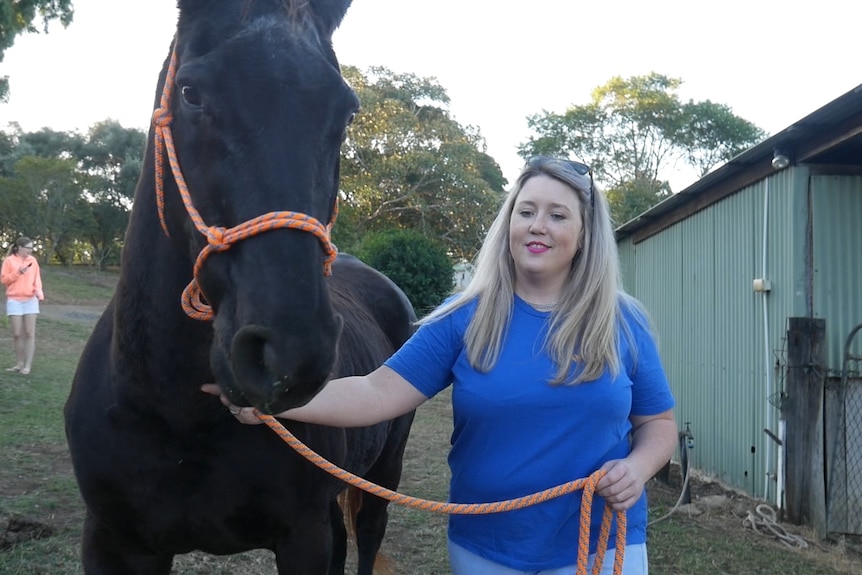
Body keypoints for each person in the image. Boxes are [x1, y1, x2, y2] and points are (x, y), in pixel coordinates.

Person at [204, 156, 677, 574]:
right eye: (526, 211)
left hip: (599, 544)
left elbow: (658, 422)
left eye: (558, 215)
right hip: (487, 548)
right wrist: (275, 398)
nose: (538, 226)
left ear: (584, 234)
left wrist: (637, 468)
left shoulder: (622, 321)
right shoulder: (464, 316)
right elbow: (377, 392)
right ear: (508, 223)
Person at [2, 237, 44, 375]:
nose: (30, 251)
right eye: (28, 248)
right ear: (19, 247)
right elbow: (4, 279)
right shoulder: (9, 261)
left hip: (30, 300)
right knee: (16, 333)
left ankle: (27, 366)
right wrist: (18, 272)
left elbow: (37, 279)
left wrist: (39, 292)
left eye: (32, 248)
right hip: (14, 300)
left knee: (29, 333)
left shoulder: (33, 261)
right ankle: (19, 364)